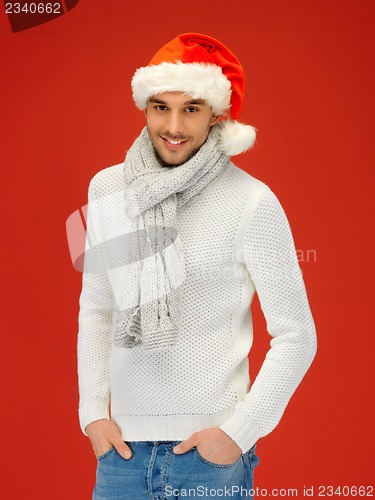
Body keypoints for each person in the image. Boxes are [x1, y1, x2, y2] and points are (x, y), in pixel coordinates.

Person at [77, 33, 317, 499]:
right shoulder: (108, 189)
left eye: (191, 109)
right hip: (121, 456)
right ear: (144, 107)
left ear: (216, 115)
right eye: (160, 107)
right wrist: (92, 413)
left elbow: (297, 334)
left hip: (210, 463)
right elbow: (97, 309)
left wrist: (240, 432)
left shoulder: (251, 201)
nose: (173, 125)